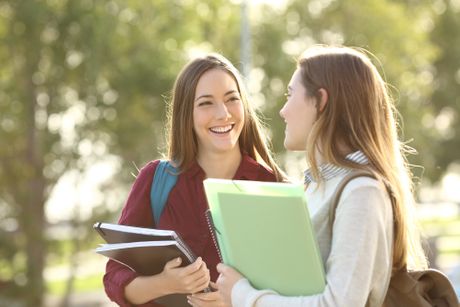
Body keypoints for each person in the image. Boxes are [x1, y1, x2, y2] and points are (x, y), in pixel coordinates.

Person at [205, 45, 428, 307]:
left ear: (321, 101)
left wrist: (244, 296)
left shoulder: (362, 192)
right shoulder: (317, 186)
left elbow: (339, 303)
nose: (283, 111)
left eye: (290, 95)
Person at [103, 53, 285, 306]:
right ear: (186, 114)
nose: (223, 114)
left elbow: (296, 290)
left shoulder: (274, 187)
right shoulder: (156, 180)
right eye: (206, 103)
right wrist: (164, 284)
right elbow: (114, 278)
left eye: (232, 99)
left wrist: (238, 300)